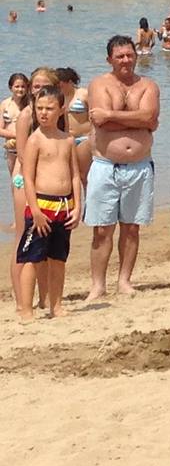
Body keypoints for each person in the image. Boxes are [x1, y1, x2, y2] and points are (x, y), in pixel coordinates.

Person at [85, 35, 160, 300]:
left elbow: (150, 118)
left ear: (136, 55)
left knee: (131, 227)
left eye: (129, 55)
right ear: (109, 59)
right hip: (106, 166)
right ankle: (98, 285)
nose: (126, 60)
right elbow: (100, 122)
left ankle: (125, 280)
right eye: (120, 56)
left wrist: (113, 116)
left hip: (139, 166)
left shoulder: (148, 85)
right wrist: (136, 120)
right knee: (102, 228)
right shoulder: (99, 85)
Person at [16, 87, 81, 320]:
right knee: (32, 258)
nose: (44, 113)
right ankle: (26, 308)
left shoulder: (68, 140)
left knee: (58, 258)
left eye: (49, 108)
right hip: (41, 206)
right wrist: (34, 210)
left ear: (61, 109)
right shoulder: (35, 140)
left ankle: (57, 305)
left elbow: (74, 175)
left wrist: (77, 206)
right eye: (39, 108)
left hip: (63, 207)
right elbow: (28, 178)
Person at [55, 67, 92, 186]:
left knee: (84, 175)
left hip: (84, 138)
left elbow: (93, 116)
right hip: (65, 139)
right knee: (67, 175)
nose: (58, 88)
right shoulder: (58, 97)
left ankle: (88, 202)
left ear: (70, 82)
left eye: (60, 85)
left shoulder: (83, 94)